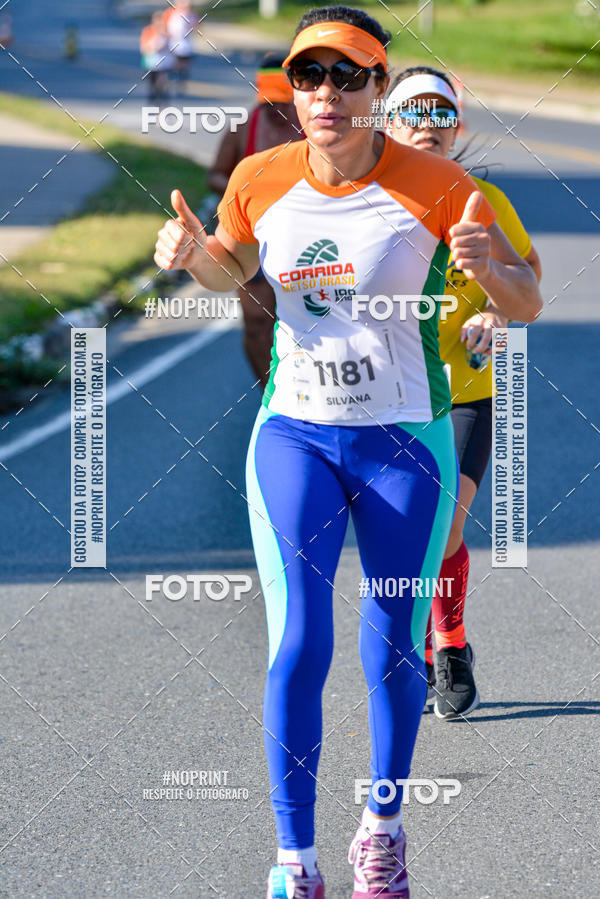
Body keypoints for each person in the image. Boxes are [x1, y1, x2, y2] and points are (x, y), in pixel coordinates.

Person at [154, 7, 542, 896]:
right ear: (292, 90)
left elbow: (524, 305)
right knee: (296, 639)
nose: (325, 92)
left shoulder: (436, 185)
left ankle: (383, 826)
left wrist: (491, 267)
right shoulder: (259, 175)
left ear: (378, 87)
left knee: (392, 645)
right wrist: (190, 257)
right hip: (294, 431)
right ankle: (295, 857)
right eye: (308, 75)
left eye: (347, 75)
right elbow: (229, 266)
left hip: (405, 440)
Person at [385, 66, 542, 721]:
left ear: (458, 126)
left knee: (444, 523)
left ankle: (447, 642)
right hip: (383, 398)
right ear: (384, 123)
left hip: (463, 388)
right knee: (400, 534)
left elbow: (526, 276)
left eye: (441, 113)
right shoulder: (363, 201)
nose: (428, 124)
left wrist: (496, 314)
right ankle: (414, 643)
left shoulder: (483, 200)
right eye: (413, 112)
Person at [207, 53, 303, 386]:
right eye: (269, 102)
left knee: (306, 322)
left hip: (304, 240)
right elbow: (215, 175)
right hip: (254, 238)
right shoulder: (244, 128)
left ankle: (308, 394)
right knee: (257, 323)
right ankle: (271, 393)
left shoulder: (313, 128)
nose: (276, 109)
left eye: (283, 101)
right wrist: (245, 187)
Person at [164, 0, 198, 93]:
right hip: (173, 45)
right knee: (174, 64)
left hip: (187, 45)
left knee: (185, 65)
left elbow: (196, 28)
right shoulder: (170, 14)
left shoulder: (192, 15)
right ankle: (171, 80)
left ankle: (181, 83)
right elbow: (164, 27)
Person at [140, 12, 173, 102]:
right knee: (152, 80)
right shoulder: (148, 31)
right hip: (151, 61)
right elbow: (144, 47)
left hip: (164, 62)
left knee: (162, 79)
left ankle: (161, 94)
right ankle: (152, 95)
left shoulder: (167, 33)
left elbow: (172, 46)